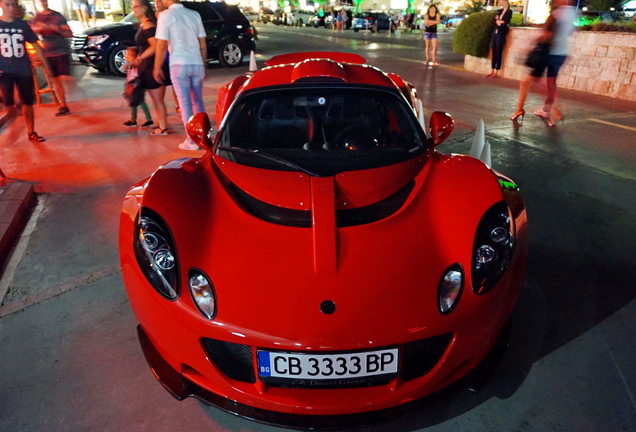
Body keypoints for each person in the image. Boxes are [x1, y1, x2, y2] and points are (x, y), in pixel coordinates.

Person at [511, 0, 576, 126]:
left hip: (547, 53)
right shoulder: (572, 12)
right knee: (549, 83)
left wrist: (530, 44)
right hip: (560, 53)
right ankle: (546, 109)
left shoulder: (558, 12)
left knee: (533, 82)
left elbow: (548, 33)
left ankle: (552, 110)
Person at [153, 0, 206, 150]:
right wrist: (204, 64)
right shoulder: (194, 14)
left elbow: (161, 44)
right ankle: (203, 136)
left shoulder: (165, 15)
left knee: (185, 103)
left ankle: (192, 140)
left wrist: (157, 67)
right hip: (196, 63)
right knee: (198, 101)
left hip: (179, 64)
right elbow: (202, 42)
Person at [0, 0, 50, 142]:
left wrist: (46, 65)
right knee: (8, 104)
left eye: (12, 4)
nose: (10, 8)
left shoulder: (22, 25)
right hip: (4, 70)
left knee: (28, 102)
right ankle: (13, 126)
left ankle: (31, 131)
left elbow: (35, 44)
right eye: (7, 4)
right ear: (1, 5)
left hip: (23, 69)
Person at [131, 0, 169, 136]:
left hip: (152, 65)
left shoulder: (148, 25)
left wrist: (140, 58)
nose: (133, 9)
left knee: (158, 99)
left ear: (144, 8)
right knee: (155, 99)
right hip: (148, 66)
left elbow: (155, 45)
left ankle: (163, 127)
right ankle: (160, 124)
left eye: (135, 6)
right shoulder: (144, 24)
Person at [31, 0, 73, 116]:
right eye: (40, 1)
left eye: (44, 1)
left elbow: (69, 33)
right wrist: (37, 29)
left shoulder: (56, 16)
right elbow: (32, 32)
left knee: (65, 78)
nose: (43, 3)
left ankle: (71, 91)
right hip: (48, 53)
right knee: (56, 80)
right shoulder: (37, 17)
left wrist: (56, 28)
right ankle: (63, 105)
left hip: (61, 51)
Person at [122, 47, 153, 127]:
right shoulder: (132, 65)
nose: (126, 57)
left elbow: (138, 74)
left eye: (128, 55)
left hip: (136, 87)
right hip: (132, 86)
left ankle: (148, 120)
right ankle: (134, 119)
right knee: (134, 103)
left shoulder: (137, 65)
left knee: (140, 103)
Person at [486, 0, 512, 78]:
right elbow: (496, 19)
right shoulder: (500, 11)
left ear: (505, 2)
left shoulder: (509, 11)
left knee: (498, 51)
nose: (500, 3)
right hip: (496, 32)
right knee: (493, 51)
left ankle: (497, 71)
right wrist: (498, 21)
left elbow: (506, 22)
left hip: (501, 33)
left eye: (501, 2)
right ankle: (492, 70)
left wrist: (500, 21)